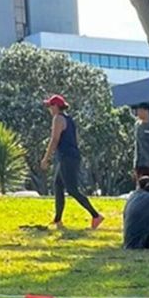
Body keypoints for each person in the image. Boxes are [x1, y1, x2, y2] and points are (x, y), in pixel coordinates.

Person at [40, 94, 103, 230]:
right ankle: (57, 219)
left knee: (72, 189)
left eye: (50, 106)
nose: (49, 109)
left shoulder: (58, 118)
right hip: (70, 156)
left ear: (56, 106)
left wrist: (46, 158)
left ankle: (96, 215)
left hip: (66, 157)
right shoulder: (69, 120)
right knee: (57, 186)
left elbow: (54, 140)